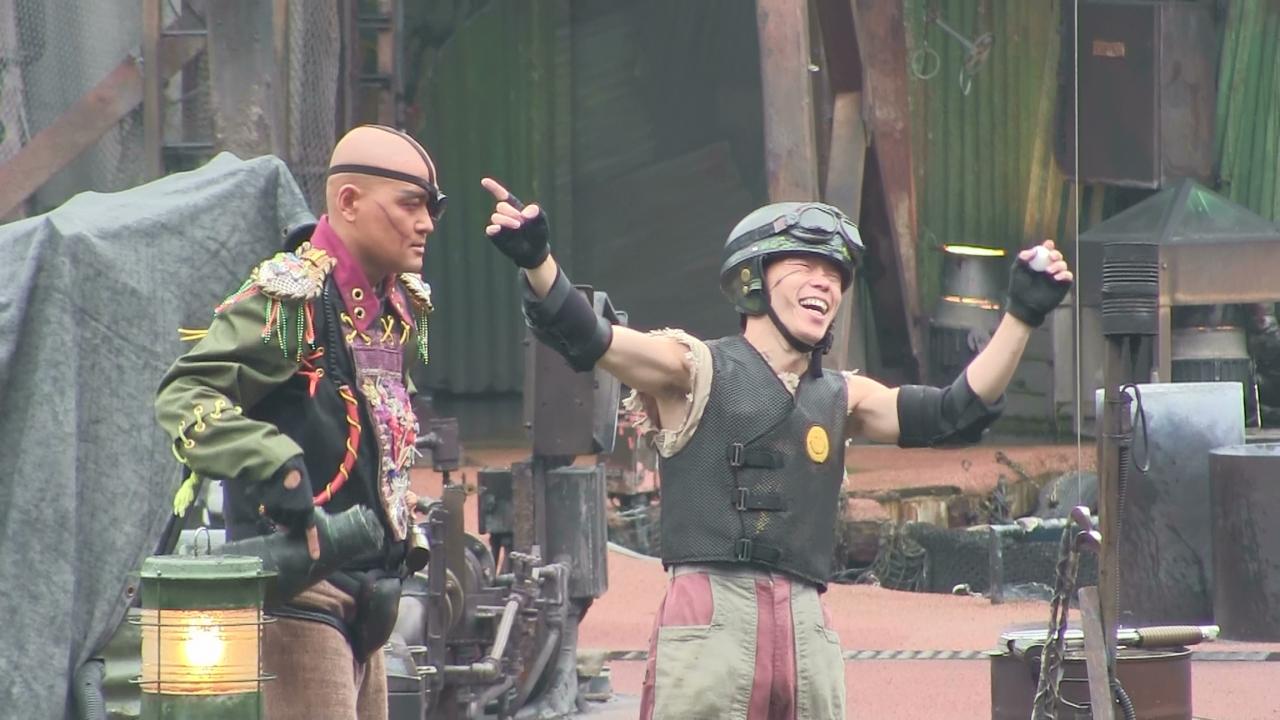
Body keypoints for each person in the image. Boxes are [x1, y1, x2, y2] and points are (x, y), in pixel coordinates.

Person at [479, 179, 1073, 719]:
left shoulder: (843, 395)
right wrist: (538, 263)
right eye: (805, 265)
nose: (825, 282)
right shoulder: (693, 367)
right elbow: (592, 337)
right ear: (753, 279)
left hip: (807, 627)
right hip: (712, 622)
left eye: (835, 274)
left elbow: (954, 412)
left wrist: (1021, 315)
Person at [154, 124, 443, 720]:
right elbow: (186, 392)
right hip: (300, 595)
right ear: (349, 202)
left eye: (430, 209)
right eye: (410, 205)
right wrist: (273, 462)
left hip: (371, 599)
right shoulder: (290, 302)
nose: (426, 224)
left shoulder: (399, 307)